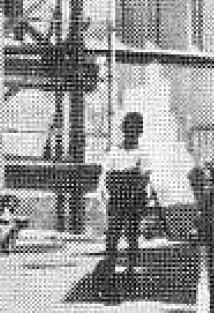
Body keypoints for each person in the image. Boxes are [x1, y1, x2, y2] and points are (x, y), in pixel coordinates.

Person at [97, 111, 152, 293]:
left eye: (135, 130)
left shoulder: (142, 153)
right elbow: (106, 175)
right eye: (128, 129)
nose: (131, 133)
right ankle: (109, 273)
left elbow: (144, 177)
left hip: (134, 199)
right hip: (117, 199)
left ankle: (131, 271)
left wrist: (132, 189)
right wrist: (108, 191)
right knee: (112, 237)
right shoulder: (114, 151)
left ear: (140, 132)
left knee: (132, 236)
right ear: (123, 130)